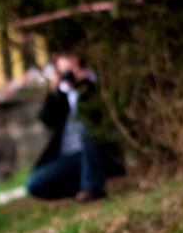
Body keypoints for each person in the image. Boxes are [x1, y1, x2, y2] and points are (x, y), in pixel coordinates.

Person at [25, 52, 121, 202]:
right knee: (34, 184)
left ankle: (92, 189)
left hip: (97, 152)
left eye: (71, 69)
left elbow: (101, 118)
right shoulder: (61, 94)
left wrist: (85, 84)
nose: (68, 75)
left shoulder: (94, 88)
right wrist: (54, 91)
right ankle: (81, 189)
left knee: (86, 128)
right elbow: (46, 120)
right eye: (64, 71)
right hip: (70, 158)